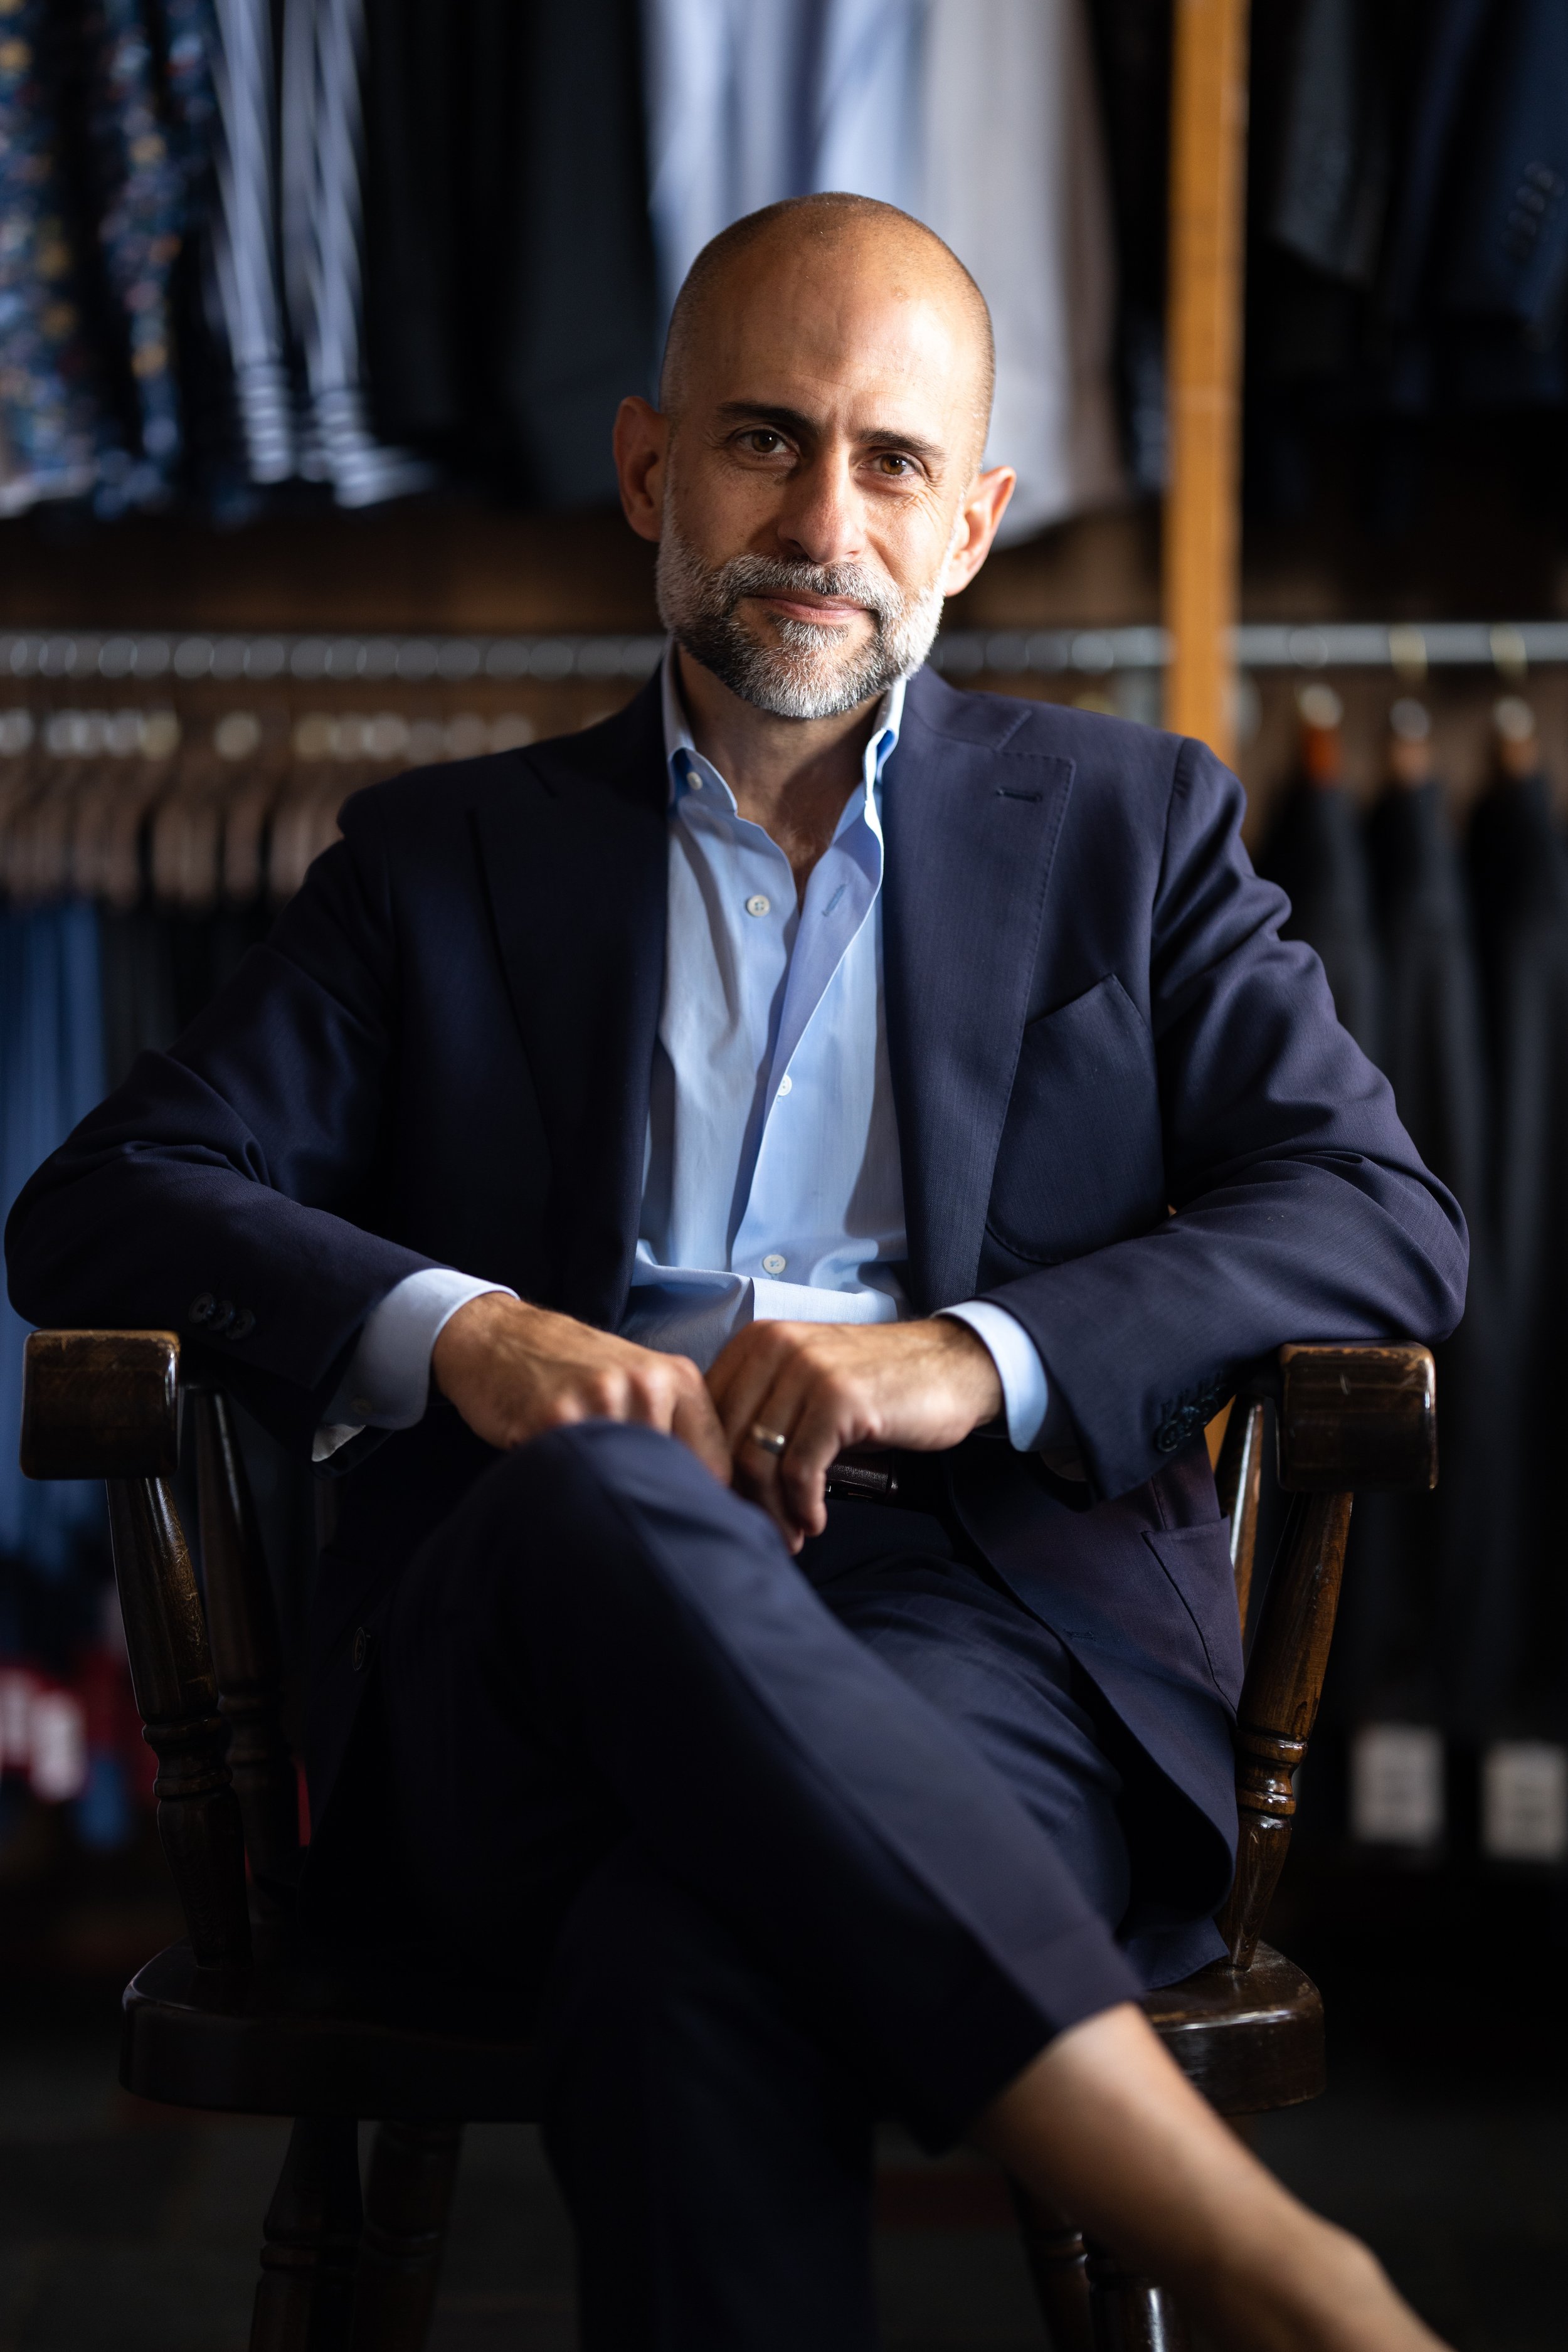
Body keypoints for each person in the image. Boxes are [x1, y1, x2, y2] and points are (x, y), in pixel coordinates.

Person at [8, 194, 1465, 2351]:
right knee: (606, 1492)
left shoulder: (1129, 831)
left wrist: (969, 1360)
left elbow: (1372, 1212)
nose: (821, 514)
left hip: (986, 1628)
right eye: (764, 438)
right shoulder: (440, 862)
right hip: (523, 1638)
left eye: (889, 462)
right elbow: (108, 1198)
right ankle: (1257, 2254)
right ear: (646, 472)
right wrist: (473, 1342)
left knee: (684, 1959)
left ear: (970, 526)